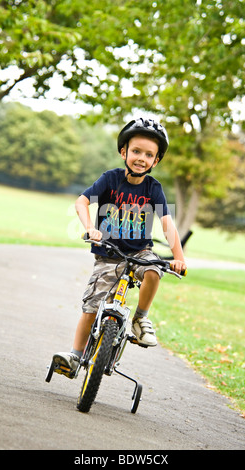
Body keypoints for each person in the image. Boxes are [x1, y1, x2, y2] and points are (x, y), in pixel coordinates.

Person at [53, 118, 187, 378]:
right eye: (136, 151)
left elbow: (168, 224)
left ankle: (139, 318)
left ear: (156, 161)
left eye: (149, 155)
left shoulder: (153, 189)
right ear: (123, 152)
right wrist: (91, 228)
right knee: (92, 307)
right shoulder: (110, 179)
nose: (141, 158)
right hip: (109, 254)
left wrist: (179, 258)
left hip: (139, 253)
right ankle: (75, 356)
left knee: (153, 270)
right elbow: (82, 202)